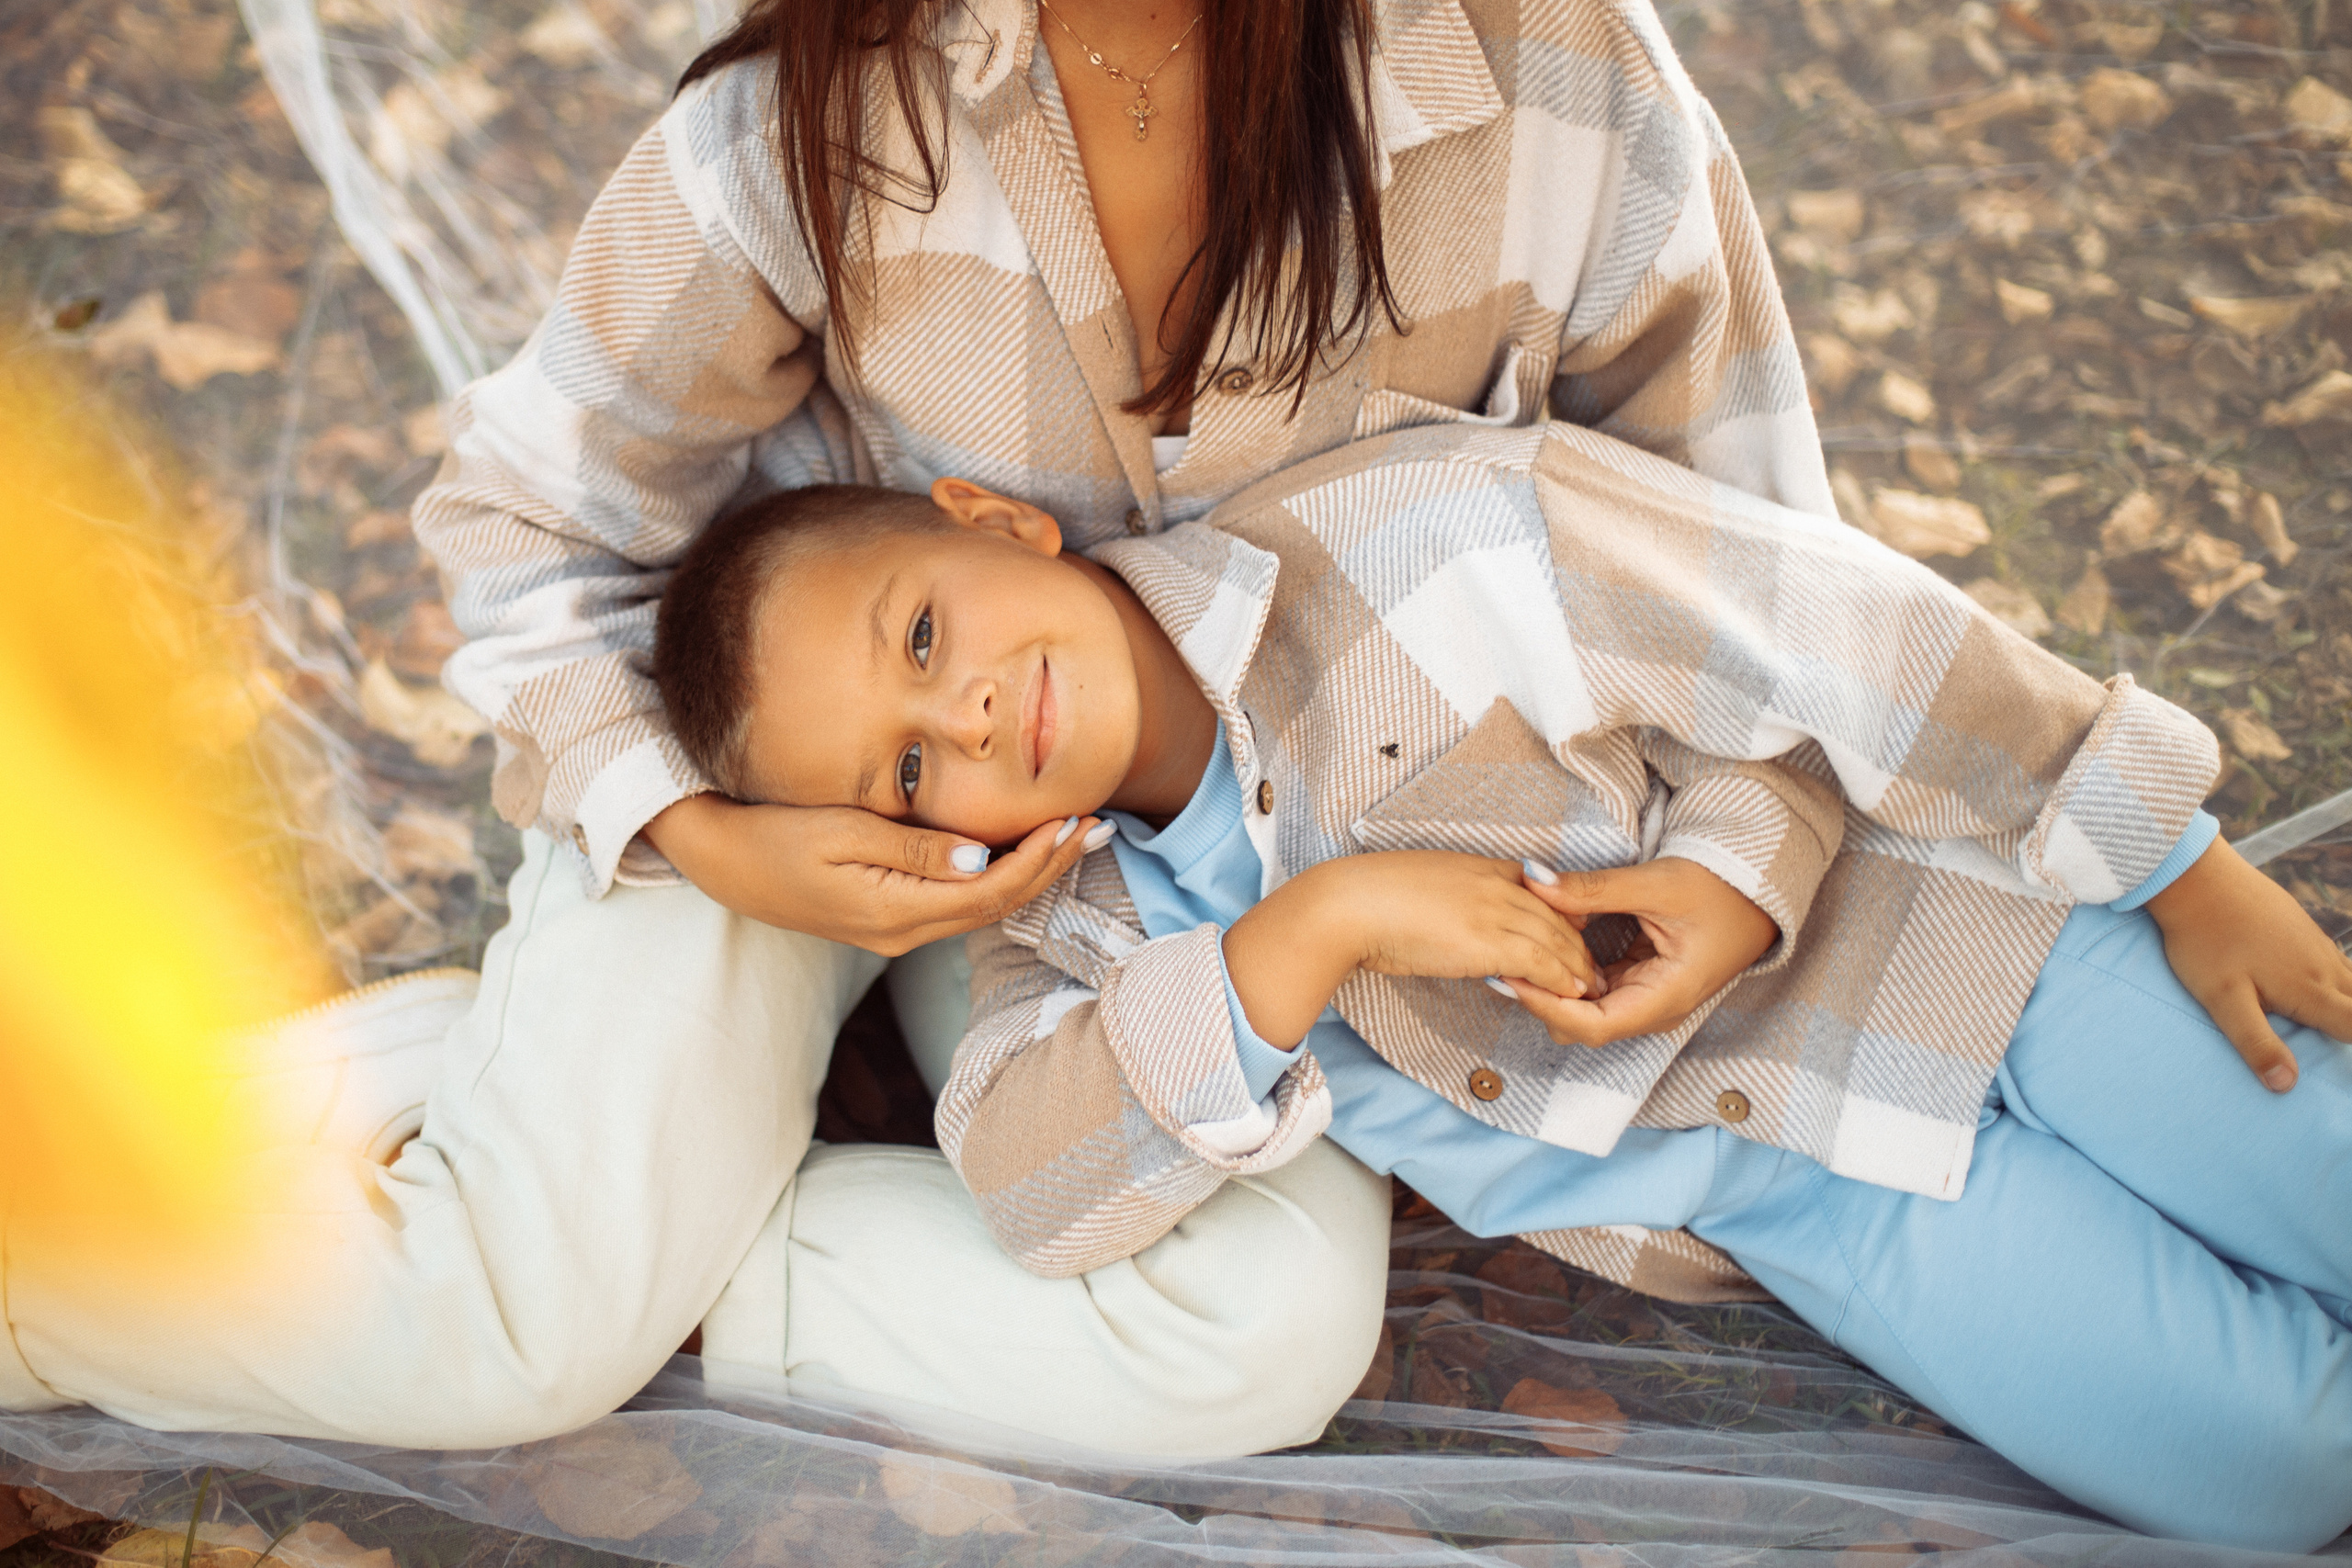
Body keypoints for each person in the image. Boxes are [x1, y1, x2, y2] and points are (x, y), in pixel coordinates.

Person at [3, 0, 1837, 1450]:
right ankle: (84, 1252)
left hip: (1183, 891)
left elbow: (1748, 546)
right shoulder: (822, 112)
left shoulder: (1548, 71)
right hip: (780, 784)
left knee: (1255, 1331)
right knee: (508, 1337)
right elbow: (521, 532)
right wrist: (712, 834)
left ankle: (600, 1200)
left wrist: (1736, 852)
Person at [649, 423, 2352, 1551]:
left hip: (1979, 945)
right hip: (1839, 1203)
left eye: (925, 640)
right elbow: (1035, 1191)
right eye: (903, 782)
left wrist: (2166, 857)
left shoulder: (1406, 545)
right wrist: (1305, 934)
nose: (964, 728)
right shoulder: (1073, 941)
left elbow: (1817, 635)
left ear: (995, 523)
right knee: (2287, 1481)